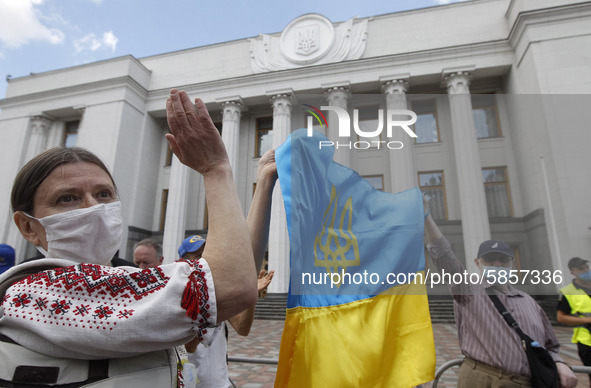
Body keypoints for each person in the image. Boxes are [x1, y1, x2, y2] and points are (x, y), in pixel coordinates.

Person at [0, 89, 258, 387]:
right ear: (28, 227)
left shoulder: (126, 280)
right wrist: (215, 169)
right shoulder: (33, 294)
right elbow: (230, 288)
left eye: (104, 194)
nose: (94, 208)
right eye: (68, 198)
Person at [423, 197, 578, 388]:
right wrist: (426, 216)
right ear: (477, 263)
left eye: (503, 260)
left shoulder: (529, 301)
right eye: (490, 260)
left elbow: (550, 344)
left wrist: (560, 363)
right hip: (482, 380)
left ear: (512, 263)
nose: (497, 265)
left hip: (527, 382)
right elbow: (445, 256)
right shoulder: (468, 291)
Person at [181, 147, 277, 388]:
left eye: (205, 254)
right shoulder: (176, 295)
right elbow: (190, 343)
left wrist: (250, 294)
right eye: (196, 256)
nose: (203, 260)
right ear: (181, 261)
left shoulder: (212, 297)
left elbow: (242, 327)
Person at [179, 235, 274, 388]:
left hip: (221, 383)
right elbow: (189, 347)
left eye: (207, 257)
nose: (205, 263)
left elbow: (242, 328)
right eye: (199, 257)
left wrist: (251, 297)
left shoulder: (217, 294)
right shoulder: (179, 297)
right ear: (184, 262)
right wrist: (214, 306)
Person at [557, 257, 591, 384]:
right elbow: (561, 317)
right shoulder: (568, 292)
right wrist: (588, 320)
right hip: (587, 342)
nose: (586, 270)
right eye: (581, 269)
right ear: (573, 272)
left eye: (586, 267)